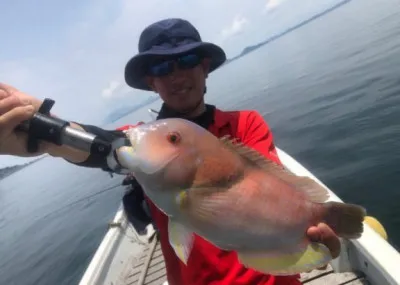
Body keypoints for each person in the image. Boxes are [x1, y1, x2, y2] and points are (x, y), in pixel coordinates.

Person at [0, 18, 341, 285]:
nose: (176, 74)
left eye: (187, 59)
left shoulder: (244, 125)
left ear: (204, 66)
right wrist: (41, 131)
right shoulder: (141, 141)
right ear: (151, 82)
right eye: (162, 67)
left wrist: (310, 236)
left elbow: (271, 191)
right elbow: (100, 145)